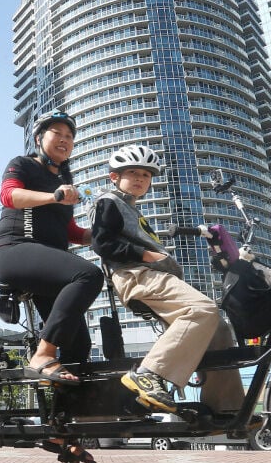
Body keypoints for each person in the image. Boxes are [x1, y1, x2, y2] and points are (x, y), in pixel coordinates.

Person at [90, 144, 243, 418]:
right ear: (114, 177)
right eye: (132, 172)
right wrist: (144, 254)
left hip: (155, 275)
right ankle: (149, 374)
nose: (140, 179)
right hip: (137, 275)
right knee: (203, 309)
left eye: (146, 175)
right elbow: (102, 244)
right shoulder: (107, 202)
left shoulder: (131, 209)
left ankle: (226, 408)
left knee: (218, 328)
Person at [0, 111, 102, 384]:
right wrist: (53, 197)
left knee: (78, 347)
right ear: (39, 138)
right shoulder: (23, 165)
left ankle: (68, 421)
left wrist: (100, 235)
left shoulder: (62, 183)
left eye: (69, 136)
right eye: (57, 133)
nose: (64, 139)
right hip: (15, 250)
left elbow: (71, 231)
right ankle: (43, 354)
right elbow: (10, 195)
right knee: (88, 275)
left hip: (48, 264)